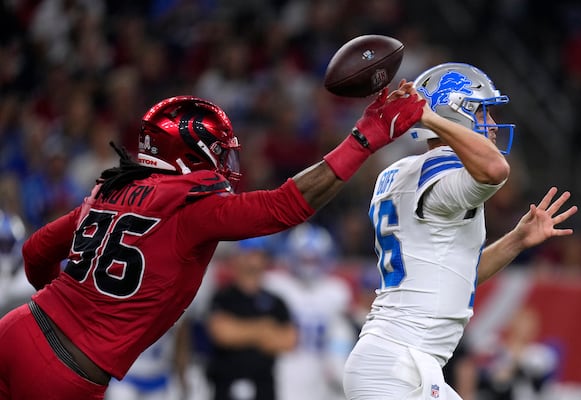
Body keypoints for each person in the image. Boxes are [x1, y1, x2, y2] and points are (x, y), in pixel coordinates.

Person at [0, 87, 425, 400]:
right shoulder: (191, 207)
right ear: (191, 154)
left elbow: (35, 251)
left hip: (17, 329)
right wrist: (365, 136)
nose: (225, 162)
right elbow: (287, 206)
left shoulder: (108, 189)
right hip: (66, 373)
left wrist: (65, 305)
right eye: (218, 151)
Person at [342, 62, 578, 400]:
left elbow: (455, 274)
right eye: (483, 111)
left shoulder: (397, 171)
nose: (493, 125)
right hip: (399, 363)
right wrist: (428, 116)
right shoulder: (445, 168)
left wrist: (517, 240)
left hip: (398, 360)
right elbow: (495, 169)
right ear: (452, 112)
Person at [264, 223, 356, 400]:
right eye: (304, 259)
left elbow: (342, 334)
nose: (309, 266)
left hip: (323, 369)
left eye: (314, 260)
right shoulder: (275, 285)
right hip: (284, 368)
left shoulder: (336, 290)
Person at [205, 237, 297, 400]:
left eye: (258, 255)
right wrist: (264, 328)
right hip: (226, 387)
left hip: (264, 388)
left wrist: (239, 330)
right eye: (248, 254)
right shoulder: (222, 297)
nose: (252, 260)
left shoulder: (276, 302)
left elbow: (288, 341)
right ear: (236, 258)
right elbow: (222, 334)